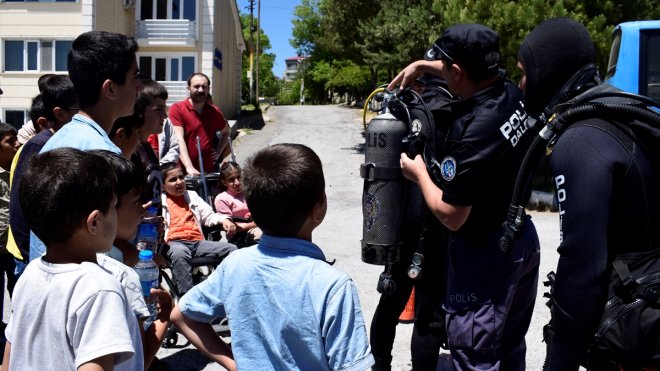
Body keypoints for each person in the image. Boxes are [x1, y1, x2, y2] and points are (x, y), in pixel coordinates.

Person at [388, 23, 541, 371]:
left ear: (457, 72)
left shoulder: (472, 129)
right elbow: (457, 71)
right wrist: (421, 65)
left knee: (474, 355)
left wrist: (419, 173)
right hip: (520, 238)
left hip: (485, 254)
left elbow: (451, 213)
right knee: (509, 345)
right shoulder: (511, 94)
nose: (439, 70)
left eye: (444, 66)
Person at [516, 17, 660, 371]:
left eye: (523, 72)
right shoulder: (622, 115)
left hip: (631, 346)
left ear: (544, 72)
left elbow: (582, 268)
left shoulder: (580, 139)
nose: (520, 85)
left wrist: (559, 361)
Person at [170, 143, 375, 370]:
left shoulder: (236, 264)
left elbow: (181, 315)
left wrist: (234, 364)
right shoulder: (333, 286)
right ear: (318, 209)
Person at [3, 148, 143, 370]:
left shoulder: (30, 274)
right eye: (113, 206)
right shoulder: (100, 289)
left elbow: (7, 362)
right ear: (94, 222)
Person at [31, 31, 140, 261]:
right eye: (134, 77)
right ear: (110, 88)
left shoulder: (60, 138)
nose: (139, 87)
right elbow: (102, 245)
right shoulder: (102, 153)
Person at [91, 150, 173, 371]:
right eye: (137, 201)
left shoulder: (42, 268)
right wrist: (165, 312)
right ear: (104, 212)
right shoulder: (122, 277)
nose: (142, 210)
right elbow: (139, 362)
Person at [8, 75, 78, 275]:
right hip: (33, 258)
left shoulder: (65, 141)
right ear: (59, 114)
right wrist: (28, 254)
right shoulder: (41, 144)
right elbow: (22, 203)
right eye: (78, 111)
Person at [161, 162, 237, 296]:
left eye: (181, 177)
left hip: (197, 243)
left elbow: (208, 216)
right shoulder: (161, 202)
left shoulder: (191, 196)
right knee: (180, 253)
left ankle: (226, 289)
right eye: (173, 180)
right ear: (163, 185)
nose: (179, 182)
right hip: (174, 243)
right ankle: (188, 299)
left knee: (231, 249)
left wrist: (224, 219)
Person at [169, 72, 230, 175]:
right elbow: (178, 139)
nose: (201, 90)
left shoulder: (214, 111)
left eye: (204, 87)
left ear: (208, 89)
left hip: (208, 172)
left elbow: (227, 132)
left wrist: (218, 152)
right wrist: (189, 166)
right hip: (184, 174)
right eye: (196, 86)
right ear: (188, 88)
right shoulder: (177, 109)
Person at [0, 122, 19, 346]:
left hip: (13, 245)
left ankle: (16, 336)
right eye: (9, 142)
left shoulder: (19, 167)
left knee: (19, 295)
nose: (16, 145)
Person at [213, 161, 262, 244]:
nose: (237, 183)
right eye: (231, 180)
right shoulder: (222, 199)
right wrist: (256, 224)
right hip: (241, 236)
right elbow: (232, 228)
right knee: (265, 236)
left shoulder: (249, 191)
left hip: (259, 225)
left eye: (239, 177)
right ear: (224, 182)